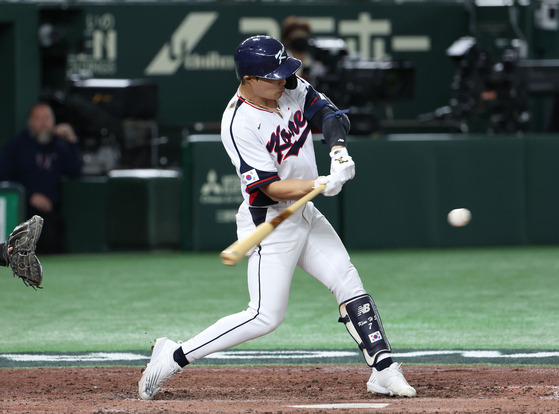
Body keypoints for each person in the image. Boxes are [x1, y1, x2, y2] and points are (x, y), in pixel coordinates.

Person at [138, 35, 416, 400]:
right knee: (264, 316)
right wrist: (318, 183)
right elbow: (269, 188)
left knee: (348, 282)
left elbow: (330, 113)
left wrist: (338, 151)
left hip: (305, 213)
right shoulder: (238, 124)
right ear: (249, 80)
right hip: (272, 222)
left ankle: (384, 370)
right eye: (274, 76)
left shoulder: (289, 86)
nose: (284, 81)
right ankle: (172, 356)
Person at [0, 102, 82, 254]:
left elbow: (75, 171)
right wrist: (29, 195)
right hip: (21, 212)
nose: (44, 123)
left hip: (49, 215)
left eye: (47, 118)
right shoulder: (16, 146)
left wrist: (72, 141)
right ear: (30, 122)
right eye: (38, 118)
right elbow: (4, 177)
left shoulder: (60, 146)